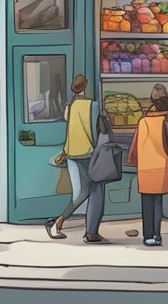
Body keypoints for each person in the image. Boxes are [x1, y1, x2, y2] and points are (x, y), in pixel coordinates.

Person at [129, 84, 168, 247]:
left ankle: (147, 236)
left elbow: (135, 148)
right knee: (157, 202)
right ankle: (157, 236)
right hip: (163, 166)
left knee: (147, 204)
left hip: (145, 167)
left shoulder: (144, 121)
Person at [47, 75, 97, 240]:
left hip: (71, 154)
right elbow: (95, 133)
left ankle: (58, 223)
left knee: (80, 193)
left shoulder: (69, 106)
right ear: (86, 87)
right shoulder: (93, 105)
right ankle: (59, 222)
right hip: (89, 153)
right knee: (90, 192)